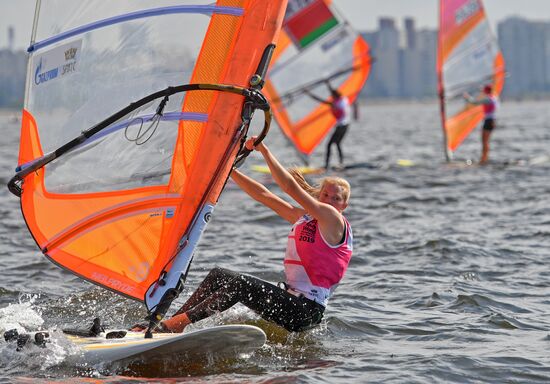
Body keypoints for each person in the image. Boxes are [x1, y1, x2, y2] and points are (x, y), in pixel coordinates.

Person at [133, 137, 353, 333]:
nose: (328, 201)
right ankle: (172, 322)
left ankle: (176, 324)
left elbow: (288, 187)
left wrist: (264, 151)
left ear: (344, 205)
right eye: (325, 194)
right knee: (219, 275)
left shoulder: (334, 220)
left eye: (336, 198)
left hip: (306, 312)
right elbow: (264, 195)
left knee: (240, 284)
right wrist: (228, 171)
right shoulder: (305, 219)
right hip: (291, 302)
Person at [305, 84, 351, 170]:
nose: (331, 97)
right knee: (337, 143)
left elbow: (321, 100)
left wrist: (309, 94)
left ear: (334, 96)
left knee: (329, 144)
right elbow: (333, 92)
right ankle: (341, 162)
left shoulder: (335, 104)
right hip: (346, 125)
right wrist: (327, 84)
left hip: (341, 127)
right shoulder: (344, 99)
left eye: (332, 96)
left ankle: (327, 165)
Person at [463, 84, 499, 164]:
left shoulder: (488, 100)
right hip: (492, 121)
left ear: (486, 91)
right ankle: (485, 158)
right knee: (486, 141)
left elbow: (474, 102)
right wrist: (481, 89)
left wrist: (466, 97)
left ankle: (484, 159)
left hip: (489, 121)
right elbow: (487, 92)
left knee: (484, 141)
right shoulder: (494, 98)